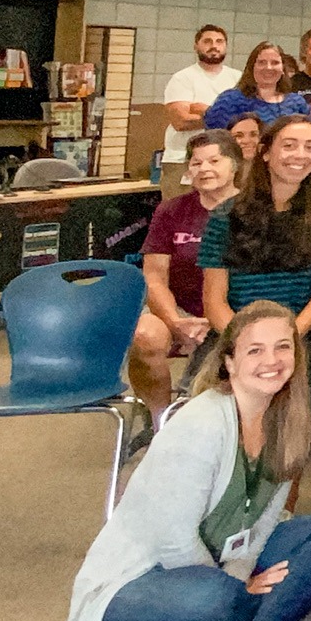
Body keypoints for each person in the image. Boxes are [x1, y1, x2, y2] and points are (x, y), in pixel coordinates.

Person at [58, 302, 311, 621]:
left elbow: (267, 520)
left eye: (283, 347)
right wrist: (236, 584)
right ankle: (274, 604)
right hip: (142, 580)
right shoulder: (202, 423)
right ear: (229, 361)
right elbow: (174, 544)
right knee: (212, 600)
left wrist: (240, 572)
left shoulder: (289, 421)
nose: (272, 360)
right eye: (255, 350)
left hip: (224, 562)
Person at [197, 116, 311, 419]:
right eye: (289, 146)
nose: (300, 155)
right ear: (265, 152)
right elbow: (214, 299)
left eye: (310, 147)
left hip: (299, 329)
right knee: (213, 384)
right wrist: (244, 341)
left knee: (306, 368)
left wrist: (285, 338)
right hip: (236, 328)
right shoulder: (225, 215)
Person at [129, 129, 240, 420]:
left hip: (234, 309)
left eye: (214, 161)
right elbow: (154, 276)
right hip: (179, 309)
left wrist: (217, 320)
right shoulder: (171, 210)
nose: (204, 169)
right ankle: (159, 419)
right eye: (196, 163)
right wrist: (175, 322)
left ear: (234, 164)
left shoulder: (251, 209)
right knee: (145, 336)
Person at [161, 25, 240, 191]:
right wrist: (227, 117)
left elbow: (245, 120)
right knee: (182, 214)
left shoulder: (237, 78)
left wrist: (205, 111)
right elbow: (181, 122)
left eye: (220, 41)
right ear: (196, 45)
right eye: (207, 41)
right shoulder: (183, 78)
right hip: (183, 160)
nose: (214, 46)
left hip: (225, 161)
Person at [204, 42, 311, 130]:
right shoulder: (229, 100)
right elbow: (215, 140)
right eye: (262, 62)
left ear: (283, 69)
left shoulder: (297, 103)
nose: (268, 68)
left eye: (275, 63)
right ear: (251, 67)